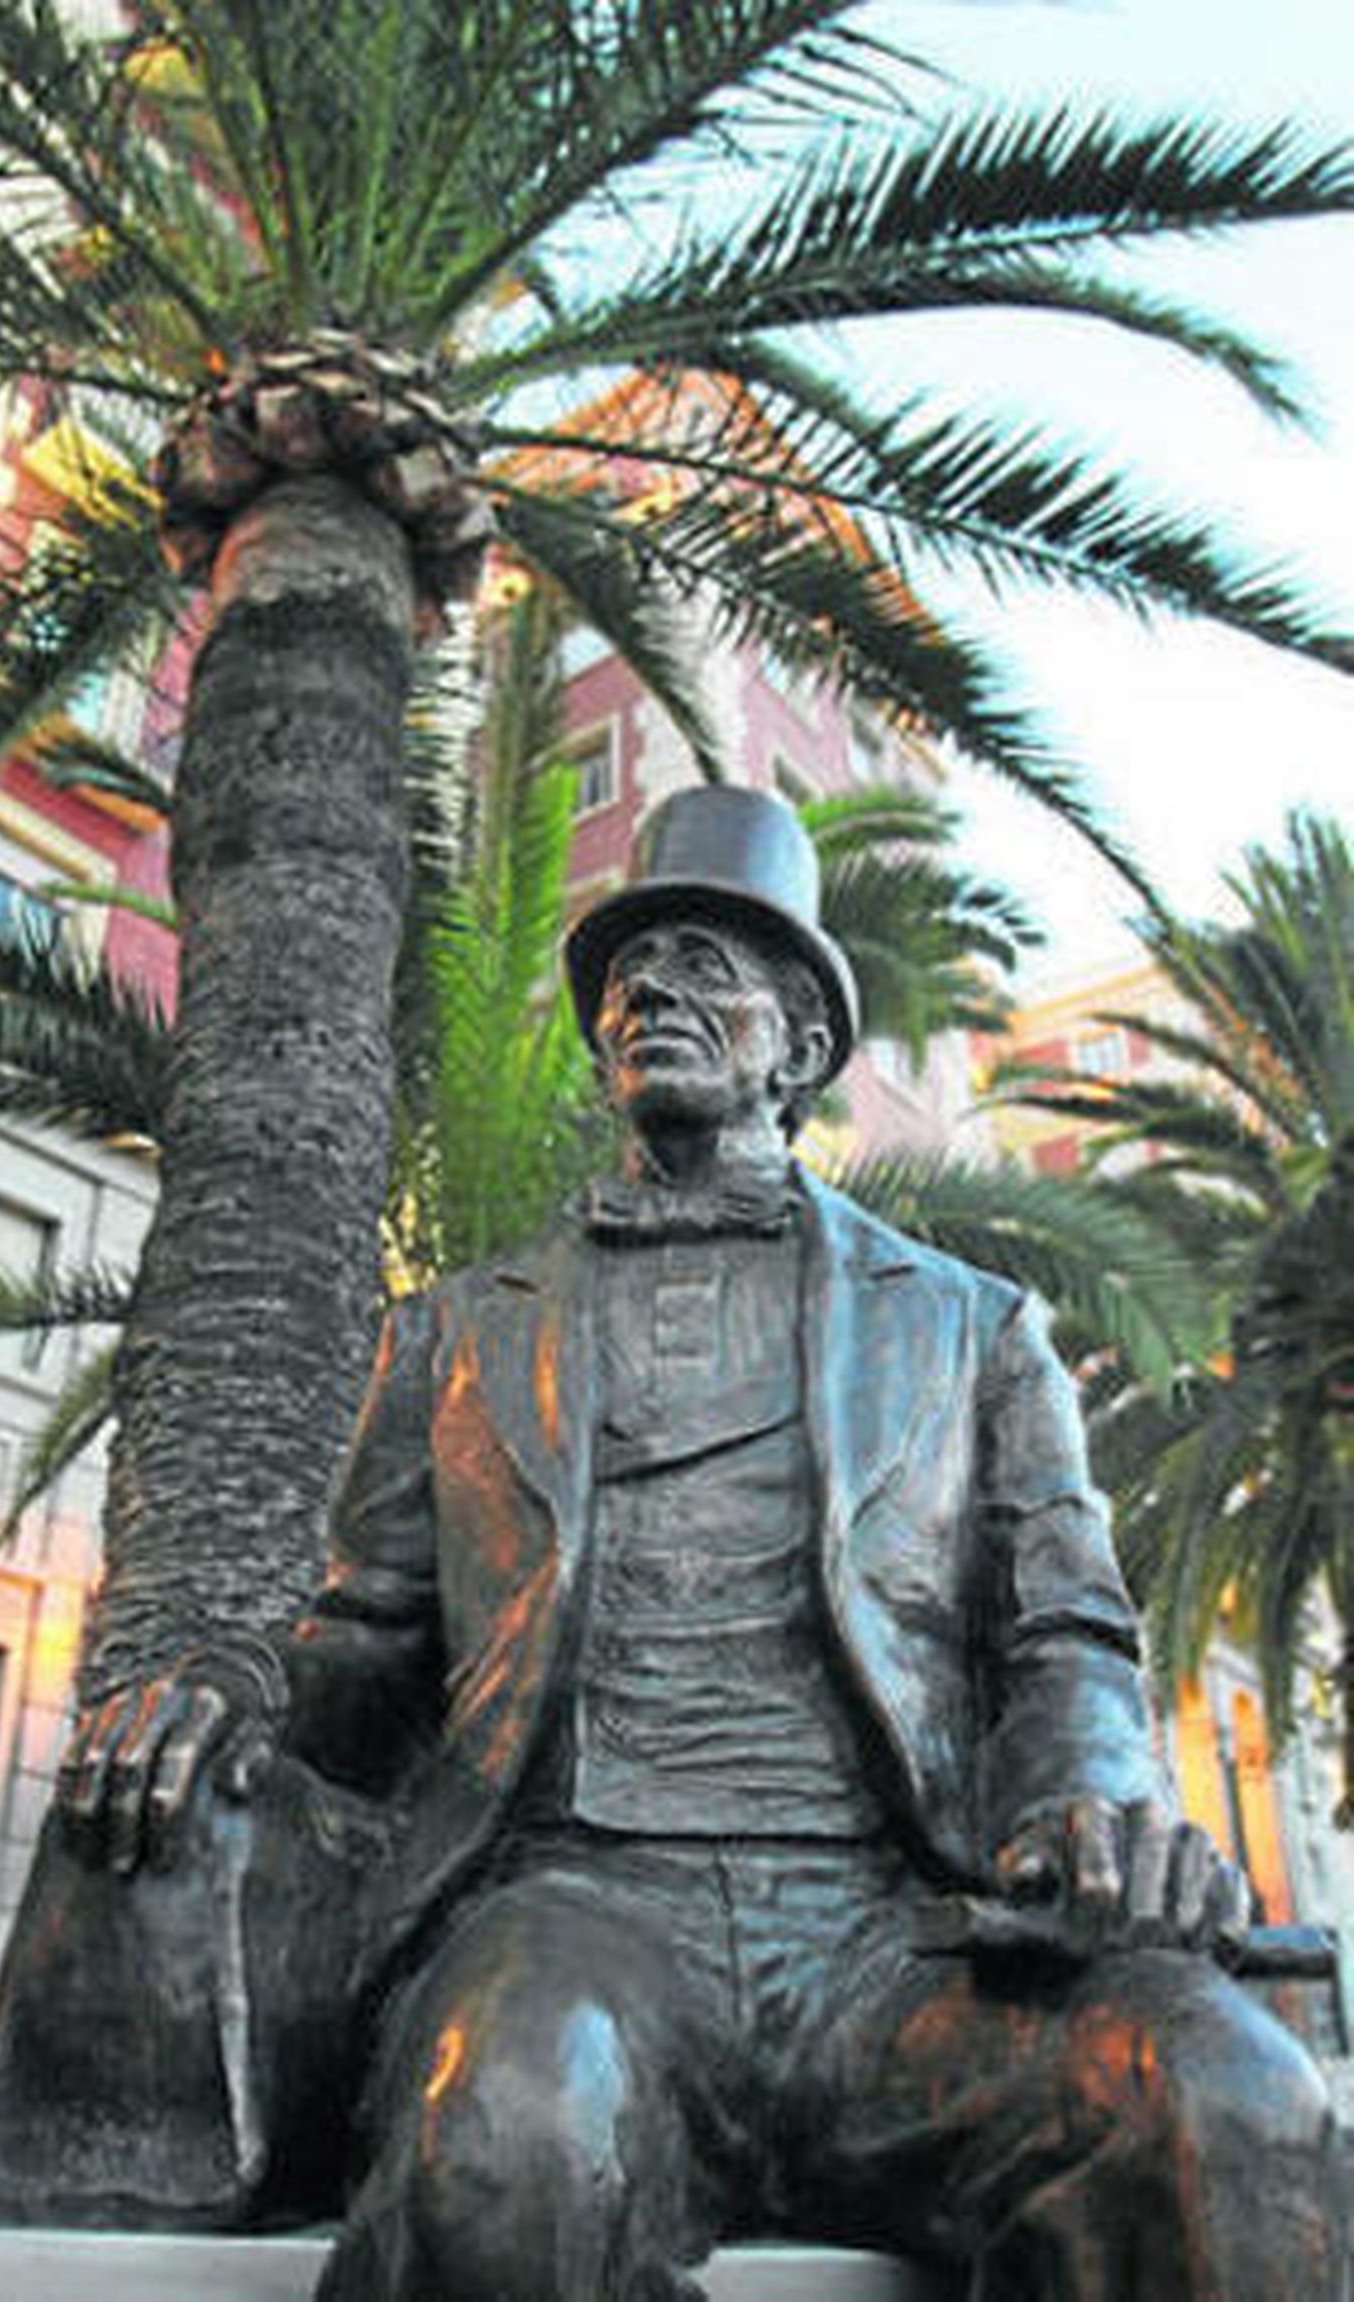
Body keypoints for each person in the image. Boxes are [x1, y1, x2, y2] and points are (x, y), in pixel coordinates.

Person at [65, 787, 1347, 2298]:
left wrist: (1100, 1797)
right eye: (628, 973)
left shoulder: (971, 1328)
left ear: (799, 1048)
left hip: (899, 1945)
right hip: (576, 1913)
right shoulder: (458, 1335)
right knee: (510, 2130)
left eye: (704, 964)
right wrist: (223, 1683)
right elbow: (362, 1650)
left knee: (1230, 2099)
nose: (649, 992)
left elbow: (1064, 1632)